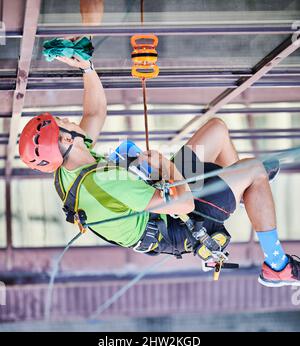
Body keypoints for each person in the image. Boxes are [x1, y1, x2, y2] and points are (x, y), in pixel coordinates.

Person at [19, 52, 300, 288]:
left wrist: (87, 68)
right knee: (253, 169)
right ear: (67, 139)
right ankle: (277, 265)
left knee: (217, 130)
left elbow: (94, 114)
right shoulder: (104, 181)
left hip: (162, 189)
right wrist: (166, 166)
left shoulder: (72, 167)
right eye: (63, 120)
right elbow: (184, 203)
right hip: (181, 221)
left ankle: (242, 194)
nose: (68, 119)